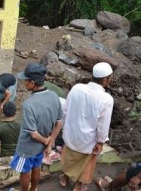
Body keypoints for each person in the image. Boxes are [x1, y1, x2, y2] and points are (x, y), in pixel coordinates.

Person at [59, 62, 114, 191]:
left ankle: (65, 177)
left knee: (69, 158)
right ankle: (78, 185)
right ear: (105, 79)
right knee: (87, 163)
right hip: (87, 141)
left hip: (71, 135)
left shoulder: (77, 88)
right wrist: (100, 142)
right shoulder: (106, 99)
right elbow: (103, 125)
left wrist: (64, 127)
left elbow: (66, 110)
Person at [10, 63, 63, 191]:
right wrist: (49, 143)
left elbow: (33, 134)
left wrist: (46, 140)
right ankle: (33, 189)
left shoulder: (29, 104)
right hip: (42, 147)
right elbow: (59, 123)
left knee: (24, 172)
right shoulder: (54, 96)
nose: (24, 83)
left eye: (25, 81)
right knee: (36, 167)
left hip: (27, 148)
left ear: (32, 83)